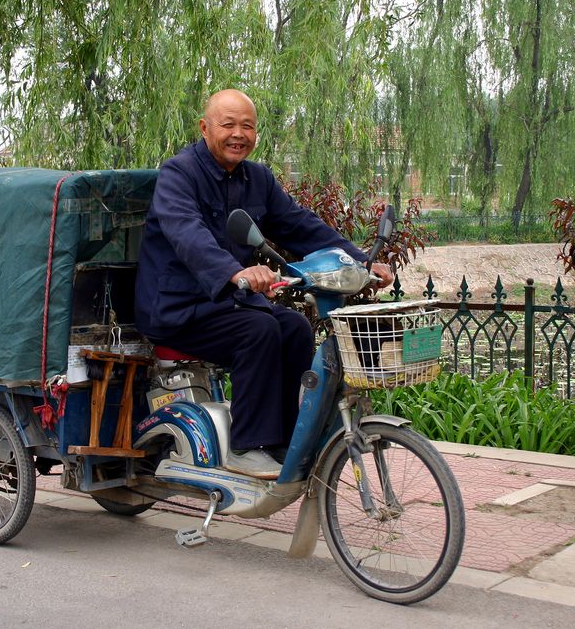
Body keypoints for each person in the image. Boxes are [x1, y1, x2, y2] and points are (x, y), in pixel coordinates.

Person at [134, 89, 393, 479]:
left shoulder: (258, 179)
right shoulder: (179, 174)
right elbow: (188, 234)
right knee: (258, 330)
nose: (238, 134)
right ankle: (246, 447)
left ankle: (281, 439)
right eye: (228, 124)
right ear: (205, 128)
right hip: (177, 306)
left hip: (224, 303)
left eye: (248, 126)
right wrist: (234, 272)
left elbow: (299, 225)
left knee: (294, 327)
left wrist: (357, 259)